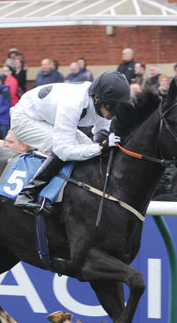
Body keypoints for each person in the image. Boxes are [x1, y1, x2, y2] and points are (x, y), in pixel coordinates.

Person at [10, 71, 130, 215]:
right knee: (72, 148)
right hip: (24, 118)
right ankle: (28, 193)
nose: (114, 113)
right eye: (112, 107)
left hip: (46, 117)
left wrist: (101, 147)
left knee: (87, 148)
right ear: (97, 99)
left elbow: (102, 132)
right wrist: (100, 147)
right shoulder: (73, 103)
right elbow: (63, 150)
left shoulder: (102, 99)